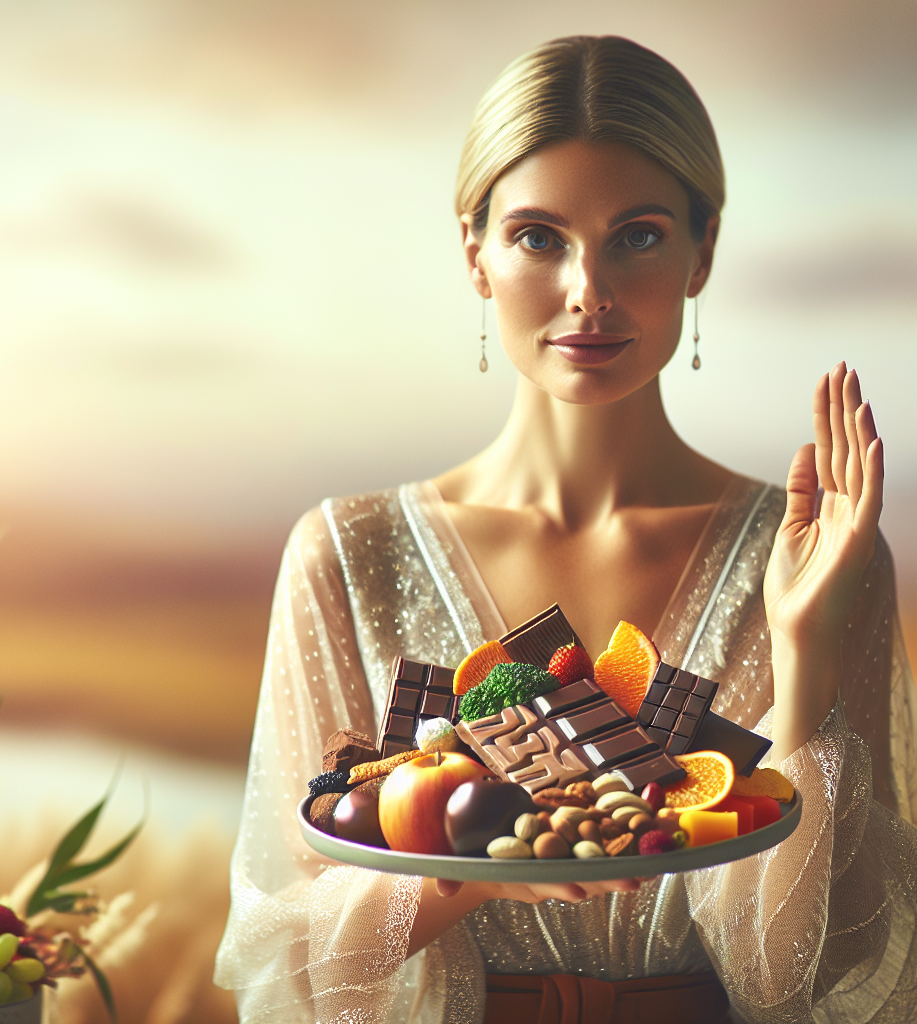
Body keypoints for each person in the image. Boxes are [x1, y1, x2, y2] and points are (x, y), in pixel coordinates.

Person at [214, 35, 917, 1024]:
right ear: (475, 255)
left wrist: (801, 650)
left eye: (635, 235)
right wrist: (467, 874)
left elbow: (811, 975)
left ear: (700, 251)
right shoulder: (346, 555)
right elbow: (279, 971)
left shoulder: (812, 552)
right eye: (540, 237)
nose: (588, 287)